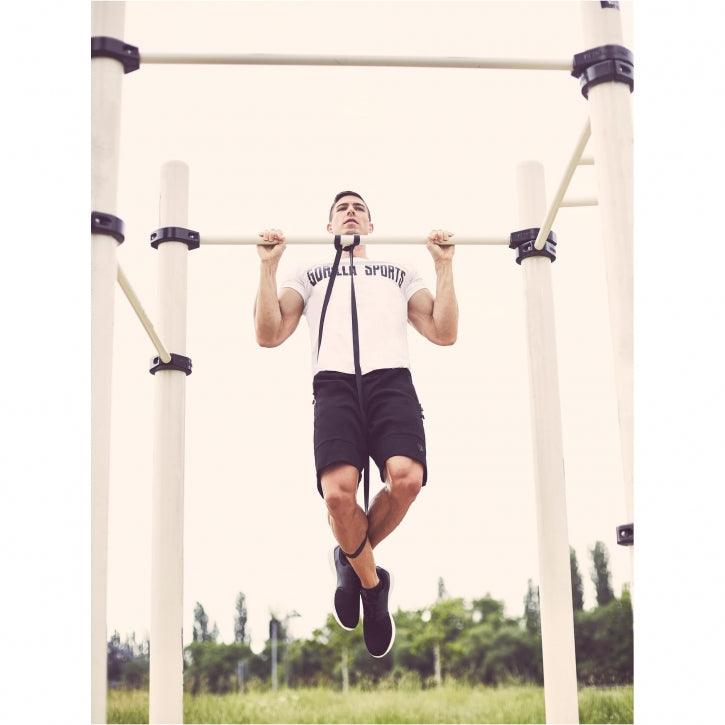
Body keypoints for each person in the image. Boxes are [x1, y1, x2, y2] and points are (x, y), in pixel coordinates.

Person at [254, 191, 458, 658]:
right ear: (329, 227)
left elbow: (443, 332)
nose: (350, 212)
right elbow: (269, 334)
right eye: (341, 209)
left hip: (391, 382)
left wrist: (444, 266)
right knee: (338, 496)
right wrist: (267, 268)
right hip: (335, 384)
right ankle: (371, 582)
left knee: (407, 479)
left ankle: (348, 558)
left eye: (359, 208)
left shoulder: (398, 271)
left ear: (370, 225)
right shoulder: (309, 273)